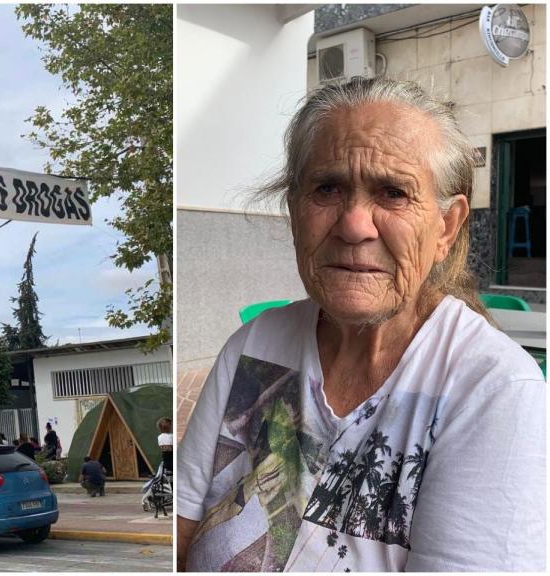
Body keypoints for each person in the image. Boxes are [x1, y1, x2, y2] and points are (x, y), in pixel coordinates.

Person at [177, 77, 545, 572]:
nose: (354, 225)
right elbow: (177, 530)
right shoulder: (255, 344)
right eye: (327, 188)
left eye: (393, 193)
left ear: (447, 227)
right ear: (293, 210)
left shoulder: (495, 390)